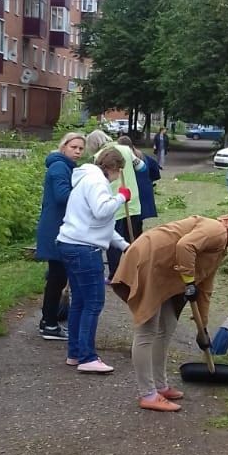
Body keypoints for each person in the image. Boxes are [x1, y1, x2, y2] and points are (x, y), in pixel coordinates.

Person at [111, 204, 228, 412]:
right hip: (151, 260)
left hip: (166, 269)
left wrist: (202, 328)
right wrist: (188, 281)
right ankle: (148, 394)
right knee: (147, 329)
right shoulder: (216, 230)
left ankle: (160, 386)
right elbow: (185, 246)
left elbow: (205, 288)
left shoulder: (220, 247)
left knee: (167, 327)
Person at [56, 145, 129, 373]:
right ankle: (88, 357)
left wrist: (125, 246)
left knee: (79, 302)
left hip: (70, 243)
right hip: (84, 249)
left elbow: (101, 224)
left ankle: (75, 353)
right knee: (94, 303)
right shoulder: (97, 182)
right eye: (119, 171)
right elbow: (102, 211)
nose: (118, 177)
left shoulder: (86, 178)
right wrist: (120, 198)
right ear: (114, 168)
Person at [34, 132, 86, 339]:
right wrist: (85, 194)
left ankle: (48, 321)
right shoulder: (59, 167)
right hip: (56, 228)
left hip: (59, 226)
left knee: (57, 276)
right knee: (57, 277)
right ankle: (50, 324)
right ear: (64, 146)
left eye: (81, 148)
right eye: (74, 147)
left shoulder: (65, 166)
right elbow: (62, 196)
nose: (78, 152)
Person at [89, 130, 147, 276]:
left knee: (113, 242)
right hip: (132, 201)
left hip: (112, 203)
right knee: (132, 238)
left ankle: (115, 274)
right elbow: (142, 167)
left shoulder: (98, 157)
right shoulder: (126, 149)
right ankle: (134, 271)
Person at [132, 143, 161, 222]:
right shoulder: (143, 156)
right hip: (143, 189)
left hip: (136, 191)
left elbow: (155, 168)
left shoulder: (133, 158)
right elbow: (155, 168)